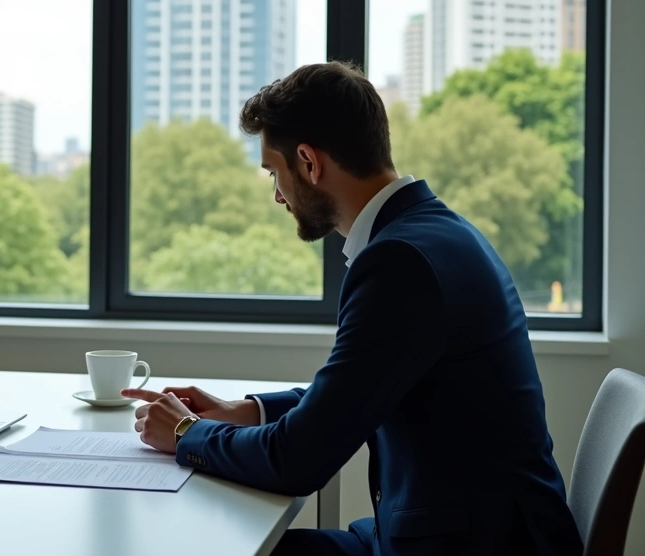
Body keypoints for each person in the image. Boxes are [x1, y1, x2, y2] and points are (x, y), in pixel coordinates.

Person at [125, 62, 581, 555]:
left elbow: (299, 461)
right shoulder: (433, 233)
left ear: (308, 161)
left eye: (275, 173)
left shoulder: (399, 262)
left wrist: (188, 433)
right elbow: (351, 392)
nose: (278, 195)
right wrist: (248, 411)